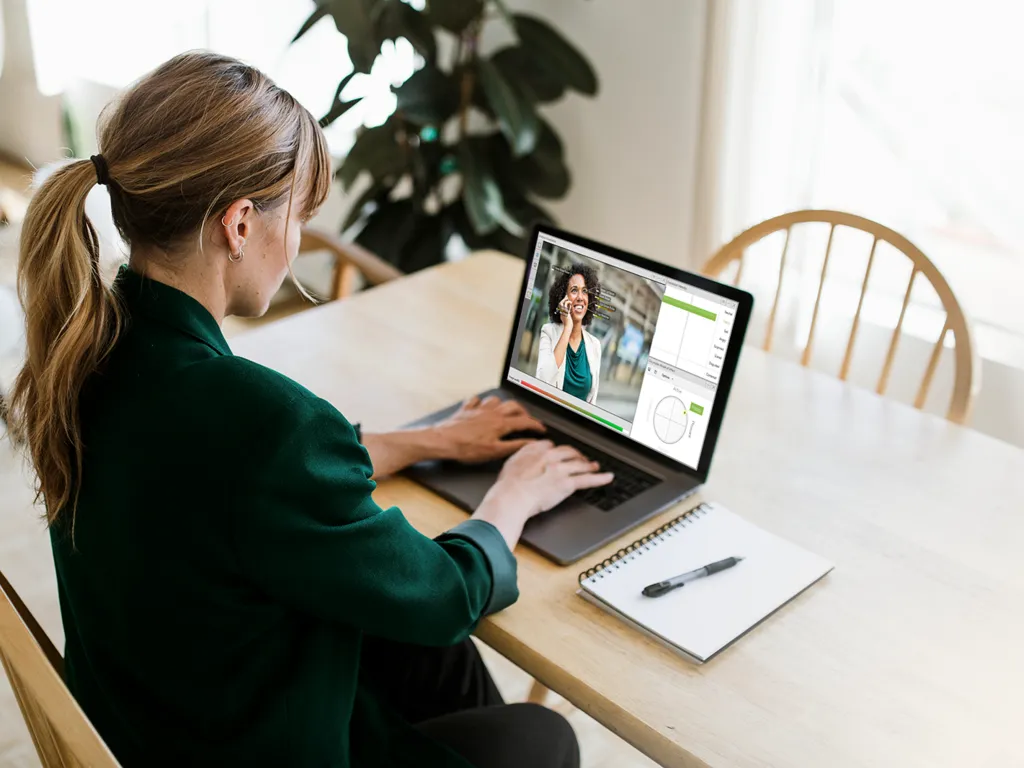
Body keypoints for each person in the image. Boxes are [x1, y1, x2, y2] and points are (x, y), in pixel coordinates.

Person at [6, 52, 614, 768]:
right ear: (239, 225)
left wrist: (427, 441)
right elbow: (445, 593)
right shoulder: (261, 422)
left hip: (164, 717)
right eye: (295, 216)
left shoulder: (93, 351)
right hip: (247, 743)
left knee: (424, 651)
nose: (295, 243)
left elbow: (246, 483)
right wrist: (512, 498)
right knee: (541, 737)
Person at [535, 263, 603, 404]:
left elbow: (592, 401)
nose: (580, 297)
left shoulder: (595, 345)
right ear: (563, 298)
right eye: (574, 290)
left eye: (584, 291)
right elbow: (542, 380)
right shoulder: (548, 332)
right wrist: (567, 327)